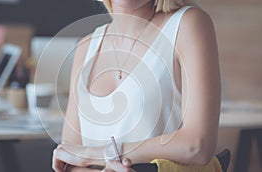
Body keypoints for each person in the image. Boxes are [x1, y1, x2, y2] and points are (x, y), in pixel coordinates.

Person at [52, 0, 221, 171]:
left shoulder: (187, 24)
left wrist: (103, 153)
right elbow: (69, 158)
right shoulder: (86, 47)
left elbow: (198, 145)